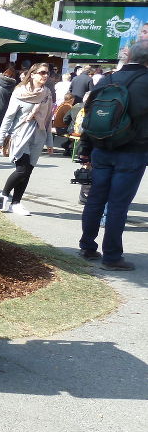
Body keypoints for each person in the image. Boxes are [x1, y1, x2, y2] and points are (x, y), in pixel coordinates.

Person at [77, 41, 148, 270]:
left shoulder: (107, 79)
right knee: (118, 204)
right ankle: (112, 256)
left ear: (128, 58)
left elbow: (89, 115)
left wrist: (85, 149)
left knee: (96, 198)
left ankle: (87, 246)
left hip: (102, 147)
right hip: (133, 151)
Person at [0, 62, 54, 216]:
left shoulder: (47, 94)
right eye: (42, 72)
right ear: (32, 74)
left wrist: (50, 142)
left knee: (28, 171)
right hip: (20, 133)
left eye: (47, 73)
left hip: (38, 135)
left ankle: (16, 203)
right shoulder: (20, 92)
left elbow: (48, 119)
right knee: (21, 170)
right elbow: (9, 116)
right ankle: (4, 195)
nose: (45, 75)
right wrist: (0, 139)